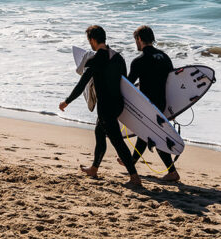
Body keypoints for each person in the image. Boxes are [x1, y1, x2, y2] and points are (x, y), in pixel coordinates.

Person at [59, 25, 141, 187]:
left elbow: (82, 83)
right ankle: (94, 168)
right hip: (118, 103)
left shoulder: (95, 59)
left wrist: (67, 101)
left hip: (106, 107)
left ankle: (134, 177)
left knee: (117, 141)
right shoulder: (118, 57)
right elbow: (125, 83)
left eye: (89, 40)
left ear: (93, 40)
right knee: (99, 132)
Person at [127, 25, 180, 182]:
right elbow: (173, 82)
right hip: (162, 104)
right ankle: (130, 162)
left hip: (147, 105)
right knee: (147, 135)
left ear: (140, 39)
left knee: (154, 137)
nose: (136, 43)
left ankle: (172, 172)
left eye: (135, 40)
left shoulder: (139, 61)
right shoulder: (165, 57)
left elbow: (128, 84)